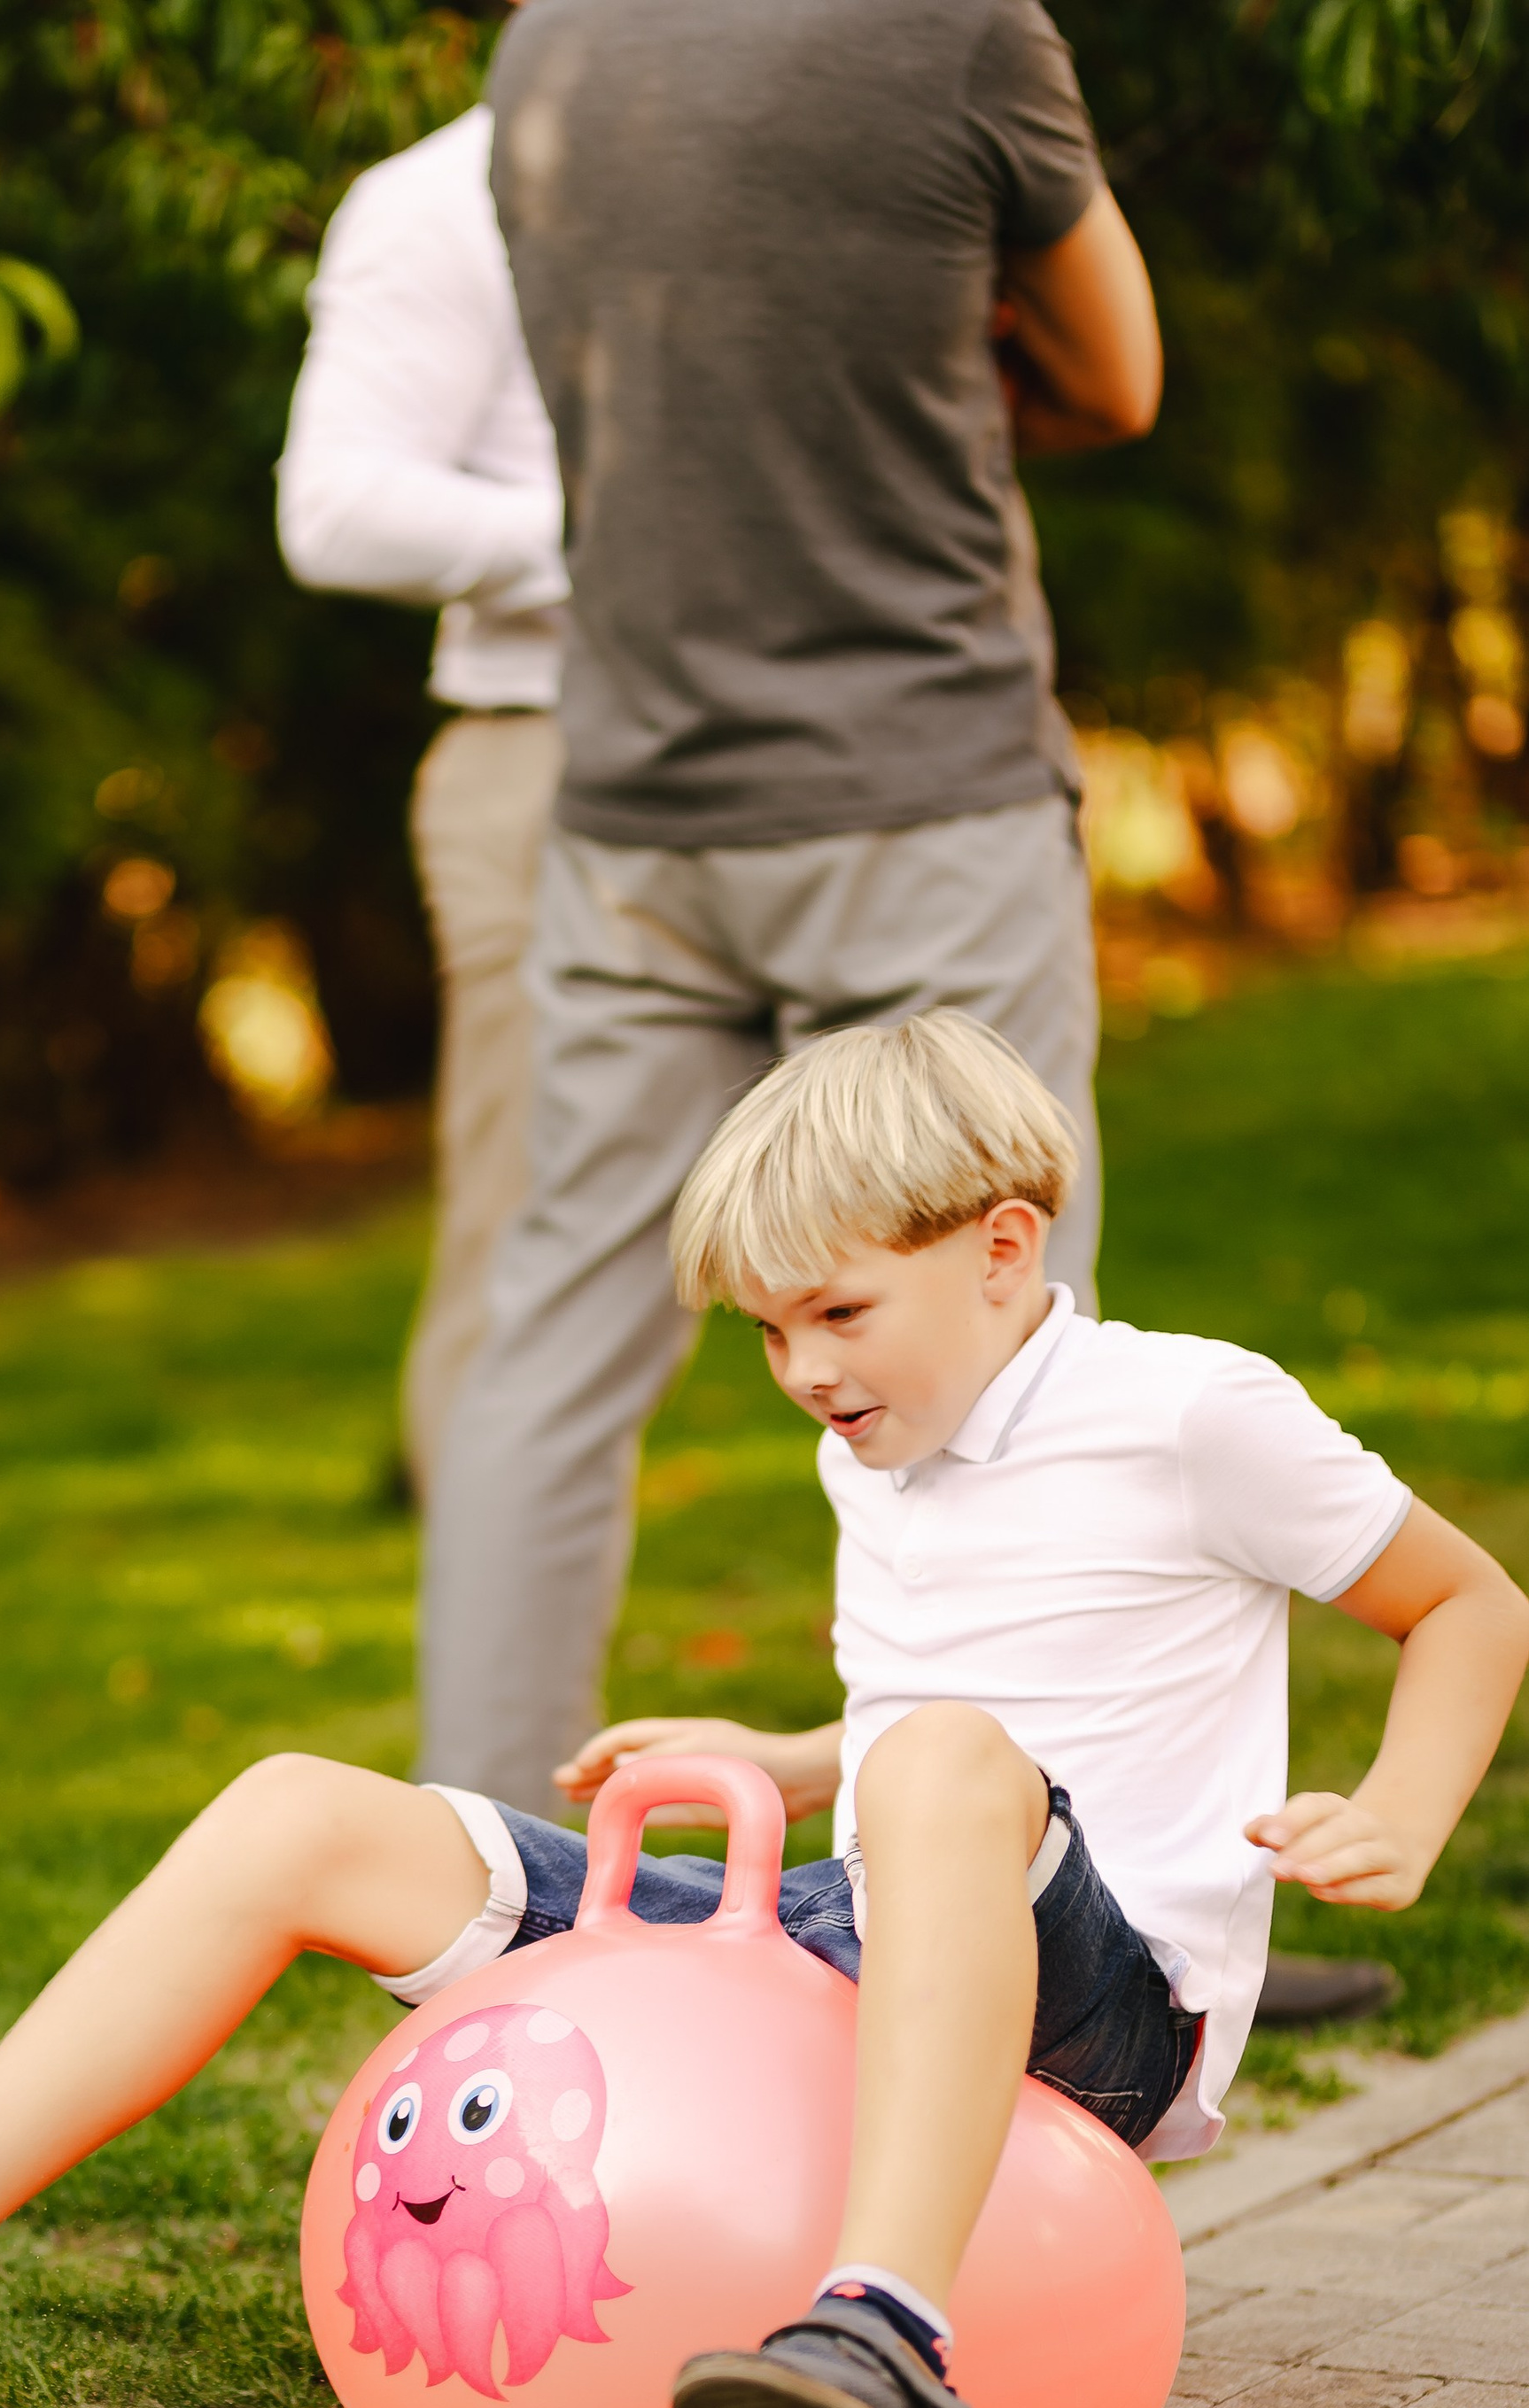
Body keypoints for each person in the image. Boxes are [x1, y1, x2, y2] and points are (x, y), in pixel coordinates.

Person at [0, 1013, 1529, 2408]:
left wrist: (1403, 1809)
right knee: (300, 1808)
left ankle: (888, 2336)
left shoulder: (1191, 1414)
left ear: (1006, 1253)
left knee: (939, 1765)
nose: (804, 1372)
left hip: (1102, 2012)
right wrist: (778, 1754)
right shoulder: (878, 1446)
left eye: (839, 1313)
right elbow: (947, 1727)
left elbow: (1468, 1606)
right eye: (770, 1332)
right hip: (872, 1909)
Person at [418, 0, 1163, 1813]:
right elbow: (1119, 378)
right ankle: (1035, 1880)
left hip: (634, 816)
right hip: (921, 796)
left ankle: (471, 1870)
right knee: (1004, 1341)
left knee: (552, 1346)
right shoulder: (961, 31)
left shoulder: (546, 51)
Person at [276, 74, 566, 1500]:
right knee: (532, 1236)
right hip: (551, 754)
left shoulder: (830, 141)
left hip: (851, 743)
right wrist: (643, 536)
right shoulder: (446, 198)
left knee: (931, 1203)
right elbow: (336, 511)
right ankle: (478, 1571)